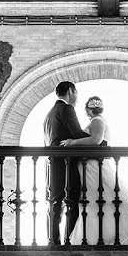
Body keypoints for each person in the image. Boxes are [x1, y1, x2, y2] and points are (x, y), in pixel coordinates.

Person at [61, 96, 128, 246]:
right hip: (91, 165)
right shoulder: (97, 121)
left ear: (88, 110)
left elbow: (96, 140)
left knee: (99, 198)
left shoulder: (97, 121)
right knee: (97, 199)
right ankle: (100, 234)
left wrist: (72, 142)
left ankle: (102, 235)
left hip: (95, 166)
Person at [42, 81, 89, 245]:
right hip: (66, 164)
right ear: (70, 91)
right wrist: (99, 142)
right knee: (72, 202)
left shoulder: (49, 114)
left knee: (55, 204)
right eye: (76, 93)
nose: (76, 97)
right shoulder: (66, 108)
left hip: (52, 164)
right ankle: (70, 241)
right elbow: (76, 133)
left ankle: (53, 241)